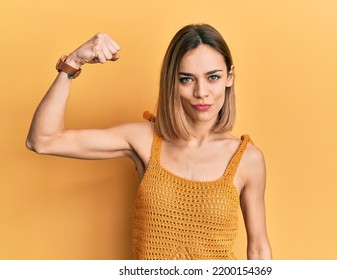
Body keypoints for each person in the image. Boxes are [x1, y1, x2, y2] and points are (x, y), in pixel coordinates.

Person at [26, 24, 272, 260]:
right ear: (172, 82)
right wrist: (73, 62)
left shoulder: (247, 158)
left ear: (229, 77)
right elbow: (43, 140)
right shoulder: (145, 139)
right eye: (186, 79)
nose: (201, 92)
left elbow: (259, 250)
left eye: (213, 77)